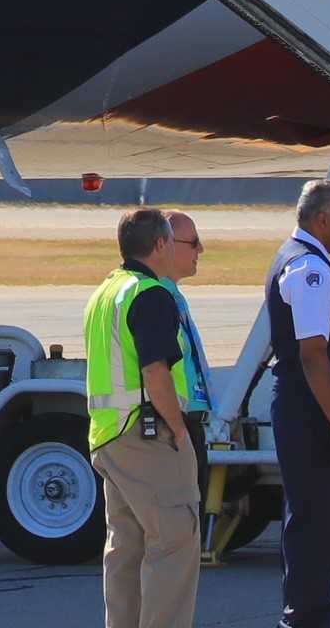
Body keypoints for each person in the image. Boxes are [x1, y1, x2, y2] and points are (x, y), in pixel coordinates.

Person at [86, 206, 207, 628]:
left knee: (126, 549)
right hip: (146, 436)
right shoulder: (150, 293)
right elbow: (157, 374)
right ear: (159, 245)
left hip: (109, 435)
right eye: (173, 242)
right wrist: (179, 429)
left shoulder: (108, 290)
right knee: (174, 543)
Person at [269, 179, 330, 628]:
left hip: (310, 408)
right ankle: (306, 619)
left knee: (315, 518)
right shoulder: (308, 269)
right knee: (313, 521)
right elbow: (312, 354)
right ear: (323, 219)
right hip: (312, 414)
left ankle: (308, 614)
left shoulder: (307, 260)